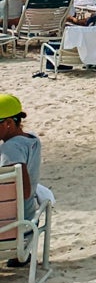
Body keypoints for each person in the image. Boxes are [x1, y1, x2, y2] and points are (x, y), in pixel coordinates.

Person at [0, 93, 42, 221]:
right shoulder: (32, 139)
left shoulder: (10, 149)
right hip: (27, 214)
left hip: (13, 222)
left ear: (8, 123)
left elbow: (22, 191)